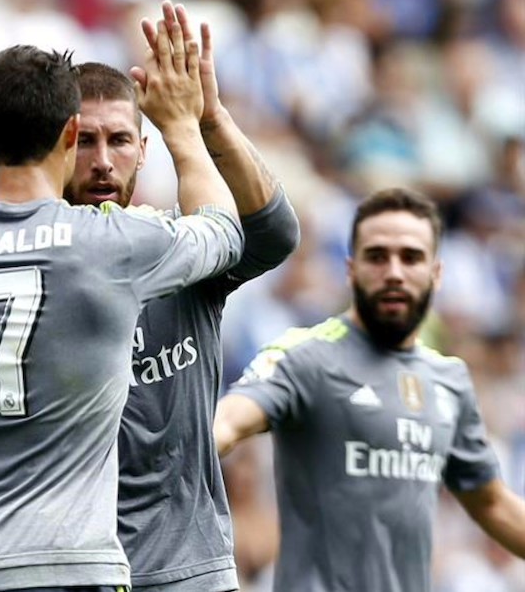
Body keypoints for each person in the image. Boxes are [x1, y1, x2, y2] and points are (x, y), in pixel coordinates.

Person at [0, 4, 244, 592]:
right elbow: (223, 231)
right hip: (71, 565)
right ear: (70, 135)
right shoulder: (111, 243)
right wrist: (182, 128)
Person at [62, 2, 299, 592]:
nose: (102, 161)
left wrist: (207, 118)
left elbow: (275, 233)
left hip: (191, 568)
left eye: (119, 140)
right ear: (57, 148)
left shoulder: (183, 248)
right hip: (72, 567)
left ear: (144, 150)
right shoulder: (24, 260)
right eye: (84, 141)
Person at [214, 187, 525, 592]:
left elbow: (492, 503)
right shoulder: (305, 356)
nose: (394, 271)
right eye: (377, 256)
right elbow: (226, 423)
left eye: (411, 257)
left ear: (436, 273)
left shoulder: (448, 379)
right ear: (351, 268)